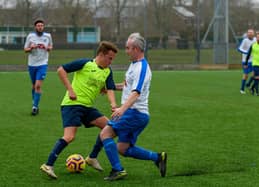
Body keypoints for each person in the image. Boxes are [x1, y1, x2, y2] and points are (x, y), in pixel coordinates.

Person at [40, 41, 119, 179]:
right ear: (101, 54)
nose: (111, 62)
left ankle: (92, 158)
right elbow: (61, 70)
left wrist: (113, 104)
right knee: (69, 136)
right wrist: (70, 89)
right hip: (72, 105)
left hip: (87, 108)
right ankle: (48, 165)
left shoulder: (107, 71)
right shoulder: (85, 63)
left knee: (110, 129)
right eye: (110, 58)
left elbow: (110, 88)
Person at [100, 33, 167, 181]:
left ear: (136, 49)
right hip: (134, 113)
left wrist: (121, 110)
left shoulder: (142, 68)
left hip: (134, 113)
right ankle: (158, 157)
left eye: (128, 48)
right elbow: (127, 87)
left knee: (105, 134)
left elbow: (136, 93)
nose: (126, 51)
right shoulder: (133, 65)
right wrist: (109, 88)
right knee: (122, 148)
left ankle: (118, 170)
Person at [24, 18, 53, 115]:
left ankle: (35, 107)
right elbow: (25, 49)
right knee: (34, 86)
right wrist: (31, 48)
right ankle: (35, 103)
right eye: (38, 26)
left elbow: (51, 47)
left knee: (38, 85)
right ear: (35, 27)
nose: (40, 27)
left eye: (42, 26)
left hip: (43, 64)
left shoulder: (48, 36)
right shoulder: (30, 36)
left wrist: (47, 47)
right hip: (32, 64)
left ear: (43, 27)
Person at [237, 29, 256, 94]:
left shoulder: (255, 40)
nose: (250, 34)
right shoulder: (245, 40)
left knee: (255, 73)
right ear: (247, 34)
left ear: (254, 34)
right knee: (246, 75)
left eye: (251, 33)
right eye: (249, 33)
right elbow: (239, 49)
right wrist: (247, 52)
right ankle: (242, 89)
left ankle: (248, 84)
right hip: (246, 61)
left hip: (254, 60)